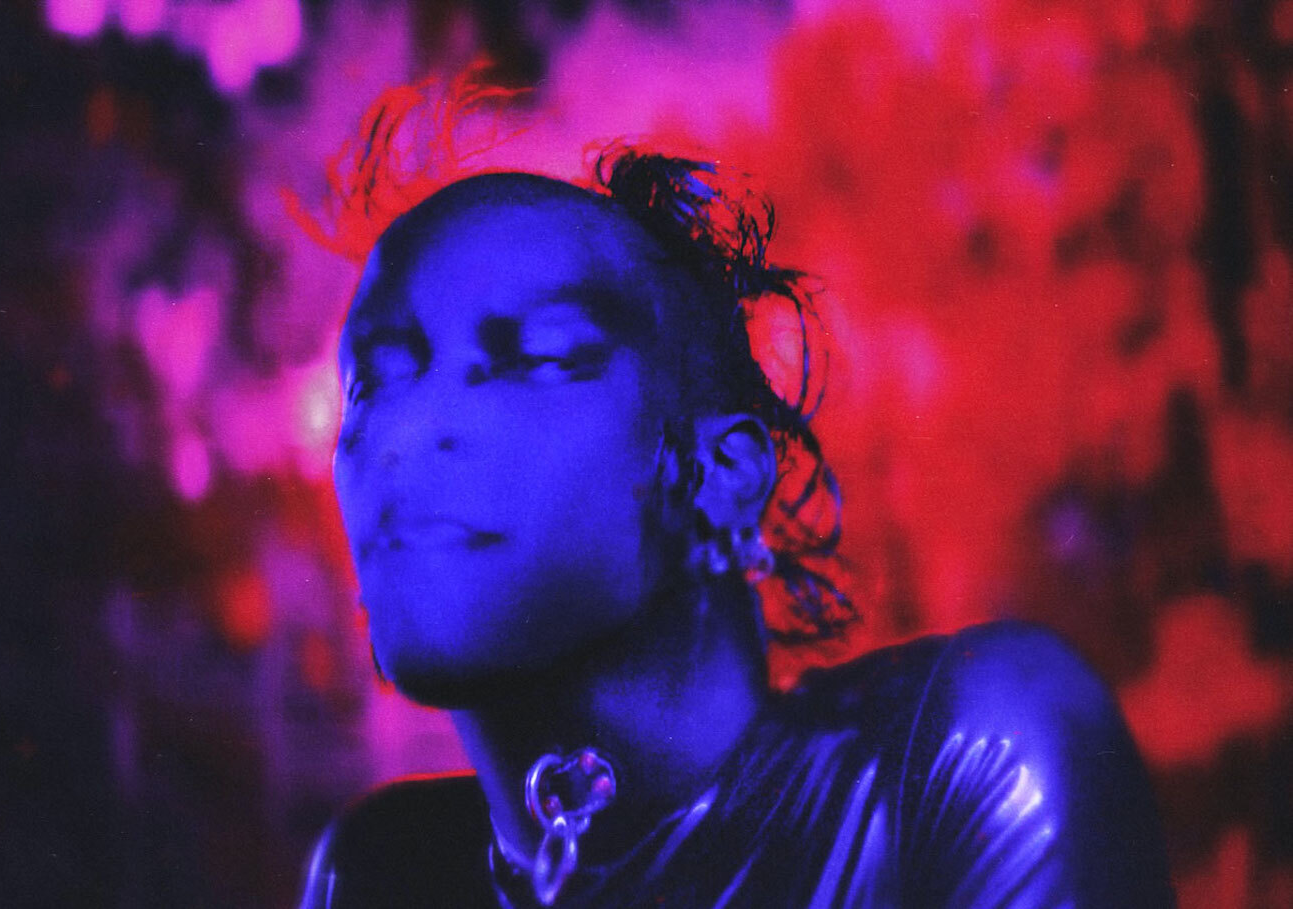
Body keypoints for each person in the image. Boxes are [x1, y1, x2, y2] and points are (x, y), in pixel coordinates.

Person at [297, 146, 1175, 907]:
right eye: (373, 383)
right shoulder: (378, 871)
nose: (407, 430)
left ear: (723, 477)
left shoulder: (953, 760)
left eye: (542, 357)